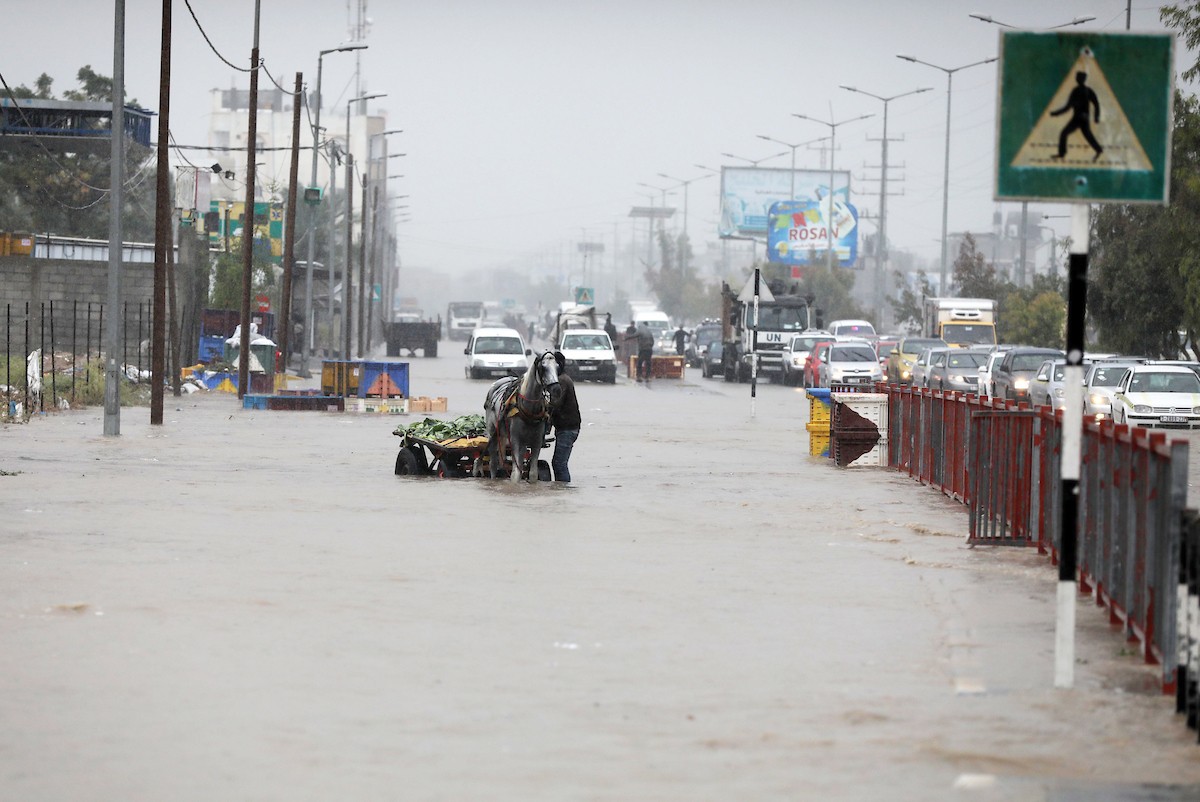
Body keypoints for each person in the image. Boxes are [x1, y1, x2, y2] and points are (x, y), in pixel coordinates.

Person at [550, 351, 580, 483]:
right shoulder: (562, 379)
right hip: (566, 427)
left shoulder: (562, 381)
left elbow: (555, 404)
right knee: (558, 463)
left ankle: (563, 491)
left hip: (568, 429)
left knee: (559, 464)